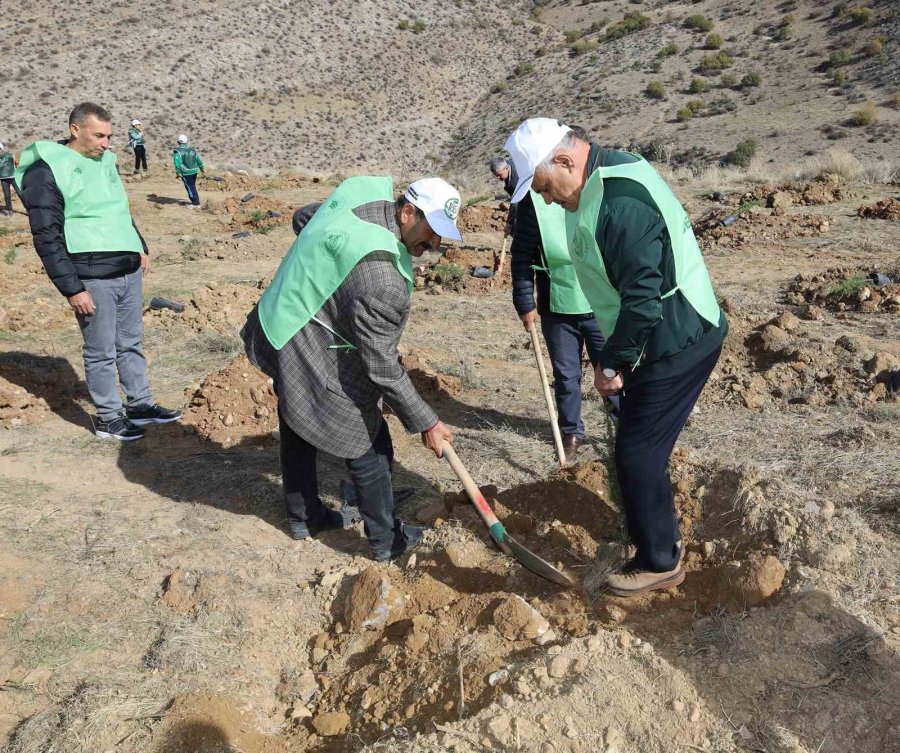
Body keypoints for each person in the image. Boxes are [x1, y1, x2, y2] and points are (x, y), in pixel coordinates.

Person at [504, 118, 727, 597]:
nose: (545, 199)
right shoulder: (604, 175)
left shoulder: (619, 204)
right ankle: (657, 538)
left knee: (637, 452)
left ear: (565, 160)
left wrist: (612, 365)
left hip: (677, 337)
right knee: (640, 447)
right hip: (664, 333)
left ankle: (660, 561)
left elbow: (644, 302)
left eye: (544, 186)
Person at [242, 176, 460, 560]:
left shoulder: (359, 193)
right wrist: (426, 421)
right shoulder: (383, 280)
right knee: (369, 441)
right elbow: (381, 365)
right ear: (407, 211)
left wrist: (328, 274)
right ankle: (386, 542)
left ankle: (304, 515)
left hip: (281, 317)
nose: (436, 245)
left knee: (296, 414)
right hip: (303, 335)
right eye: (432, 231)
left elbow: (304, 218)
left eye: (443, 235)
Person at [15, 102, 182, 440]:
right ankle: (108, 417)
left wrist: (139, 245)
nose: (107, 143)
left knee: (130, 342)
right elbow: (46, 236)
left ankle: (140, 404)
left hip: (127, 267)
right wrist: (73, 289)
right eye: (99, 136)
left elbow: (117, 207)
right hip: (91, 276)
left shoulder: (106, 160)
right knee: (101, 350)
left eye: (110, 136)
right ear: (75, 130)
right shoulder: (45, 170)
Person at [509, 135, 611, 462]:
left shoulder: (595, 191)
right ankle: (571, 432)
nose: (550, 196)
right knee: (566, 375)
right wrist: (524, 302)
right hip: (557, 305)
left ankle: (624, 423)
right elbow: (522, 255)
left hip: (598, 304)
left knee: (610, 368)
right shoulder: (532, 202)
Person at [172, 134, 204, 207]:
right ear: (186, 142)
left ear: (178, 142)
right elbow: (198, 160)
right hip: (194, 171)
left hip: (186, 173)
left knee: (189, 187)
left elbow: (177, 163)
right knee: (192, 186)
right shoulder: (192, 150)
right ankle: (196, 200)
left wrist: (178, 172)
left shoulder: (178, 152)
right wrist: (202, 168)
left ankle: (195, 203)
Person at [0, 142, 24, 215]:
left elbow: (16, 163)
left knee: (20, 193)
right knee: (7, 195)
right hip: (3, 179)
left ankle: (28, 208)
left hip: (13, 177)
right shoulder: (10, 155)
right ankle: (9, 210)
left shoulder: (10, 155)